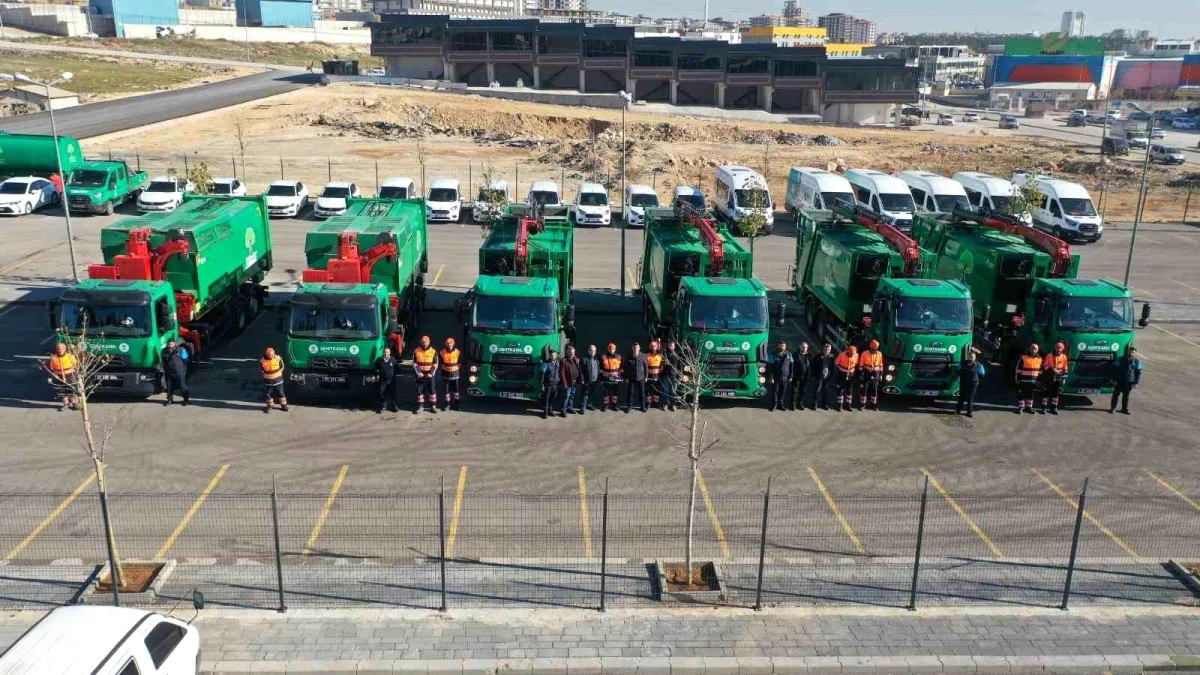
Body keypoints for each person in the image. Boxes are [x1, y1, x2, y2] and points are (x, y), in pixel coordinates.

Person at [1109, 346, 1142, 415]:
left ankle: (1124, 409)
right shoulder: (1120, 360)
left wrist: (1136, 382)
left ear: (1135, 353)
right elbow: (1114, 370)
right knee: (1116, 395)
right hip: (1119, 381)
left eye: (1133, 352)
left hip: (1129, 381)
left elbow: (1138, 372)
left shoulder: (1137, 362)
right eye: (1130, 351)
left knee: (1126, 396)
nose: (1131, 353)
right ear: (1127, 351)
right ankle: (1113, 408)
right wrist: (1113, 379)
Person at [1039, 340, 1069, 415]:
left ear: (1062, 349)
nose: (1058, 349)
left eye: (1060, 348)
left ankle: (1053, 408)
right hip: (1049, 376)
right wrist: (1053, 369)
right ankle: (1043, 408)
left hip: (1058, 377)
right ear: (1055, 347)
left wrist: (1064, 376)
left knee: (1056, 394)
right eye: (1057, 348)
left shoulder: (1064, 357)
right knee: (1046, 392)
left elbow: (1065, 367)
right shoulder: (1049, 356)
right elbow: (1045, 366)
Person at [48, 342, 79, 411]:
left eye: (62, 348)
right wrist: (51, 377)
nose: (60, 350)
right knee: (62, 392)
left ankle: (75, 404)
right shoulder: (53, 358)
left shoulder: (70, 356)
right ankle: (66, 404)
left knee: (72, 391)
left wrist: (77, 375)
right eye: (59, 348)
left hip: (70, 376)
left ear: (65, 349)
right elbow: (52, 369)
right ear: (56, 349)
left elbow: (76, 366)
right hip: (59, 377)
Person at [412, 335, 439, 414]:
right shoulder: (416, 351)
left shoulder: (433, 351)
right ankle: (420, 406)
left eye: (426, 342)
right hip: (420, 375)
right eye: (423, 342)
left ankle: (433, 406)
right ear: (421, 342)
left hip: (430, 375)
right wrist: (418, 372)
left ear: (429, 342)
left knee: (432, 391)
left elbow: (436, 363)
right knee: (420, 391)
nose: (424, 344)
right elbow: (414, 363)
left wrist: (431, 373)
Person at [1015, 343, 1043, 414]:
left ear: (1037, 350)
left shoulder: (1039, 359)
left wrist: (1039, 380)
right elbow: (1018, 370)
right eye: (1032, 349)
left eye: (1035, 349)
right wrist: (1018, 380)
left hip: (1033, 382)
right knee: (1022, 394)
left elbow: (1040, 371)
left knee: (1031, 395)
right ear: (1030, 349)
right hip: (1023, 380)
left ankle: (1029, 408)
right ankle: (1021, 408)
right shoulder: (1023, 358)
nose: (1034, 351)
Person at [161, 338, 189, 407]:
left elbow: (186, 359)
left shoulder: (181, 350)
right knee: (169, 386)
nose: (170, 345)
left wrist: (182, 367)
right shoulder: (164, 351)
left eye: (171, 344)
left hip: (179, 371)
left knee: (182, 386)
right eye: (169, 344)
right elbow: (163, 360)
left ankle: (186, 400)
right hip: (169, 372)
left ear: (174, 343)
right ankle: (170, 400)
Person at [858, 339, 884, 410]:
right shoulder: (864, 353)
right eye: (874, 347)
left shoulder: (879, 354)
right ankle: (863, 405)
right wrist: (860, 374)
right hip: (867, 372)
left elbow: (881, 364)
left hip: (876, 372)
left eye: (876, 347)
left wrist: (881, 374)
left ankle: (873, 405)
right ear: (871, 347)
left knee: (874, 389)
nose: (875, 349)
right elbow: (861, 364)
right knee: (864, 389)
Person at [956, 348, 983, 417]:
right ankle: (964, 411)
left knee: (965, 397)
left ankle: (963, 411)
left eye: (971, 356)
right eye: (971, 356)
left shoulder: (963, 363)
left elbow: (957, 370)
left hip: (968, 383)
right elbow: (982, 373)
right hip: (969, 383)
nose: (971, 358)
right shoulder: (977, 364)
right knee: (966, 398)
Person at [260, 347, 288, 413]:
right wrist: (267, 375)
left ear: (274, 353)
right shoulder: (262, 360)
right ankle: (270, 406)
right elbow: (261, 369)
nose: (271, 356)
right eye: (269, 355)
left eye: (272, 354)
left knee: (281, 393)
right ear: (266, 354)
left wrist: (278, 373)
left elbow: (282, 366)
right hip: (268, 381)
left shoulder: (278, 358)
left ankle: (284, 405)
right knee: (269, 394)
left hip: (278, 380)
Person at [767, 341, 793, 411]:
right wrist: (771, 377)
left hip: (785, 377)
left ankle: (781, 404)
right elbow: (770, 367)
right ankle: (774, 404)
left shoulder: (789, 354)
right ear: (778, 346)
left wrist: (791, 376)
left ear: (785, 347)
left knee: (783, 391)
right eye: (780, 346)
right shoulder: (772, 354)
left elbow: (791, 366)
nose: (782, 347)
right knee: (775, 391)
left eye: (783, 346)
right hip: (776, 377)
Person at [624, 341, 648, 413]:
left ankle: (642, 406)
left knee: (642, 393)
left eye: (637, 347)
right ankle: (629, 406)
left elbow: (646, 367)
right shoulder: (628, 356)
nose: (636, 349)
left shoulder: (643, 355)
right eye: (634, 347)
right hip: (631, 378)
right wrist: (626, 377)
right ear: (632, 348)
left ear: (639, 348)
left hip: (641, 377)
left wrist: (646, 376)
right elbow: (625, 368)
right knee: (630, 393)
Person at [809, 343, 835, 410]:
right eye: (826, 349)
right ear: (823, 349)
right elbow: (813, 366)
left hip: (827, 377)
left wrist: (831, 375)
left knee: (825, 390)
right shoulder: (818, 356)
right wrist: (813, 375)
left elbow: (832, 367)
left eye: (828, 349)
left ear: (830, 350)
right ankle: (815, 404)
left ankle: (824, 404)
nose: (827, 350)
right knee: (817, 390)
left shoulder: (832, 357)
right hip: (819, 376)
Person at [374, 346, 400, 413]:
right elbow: (376, 369)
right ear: (383, 353)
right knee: (382, 393)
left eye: (387, 352)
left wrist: (394, 376)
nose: (386, 353)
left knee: (393, 393)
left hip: (391, 381)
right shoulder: (379, 361)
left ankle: (394, 406)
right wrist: (376, 375)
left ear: (390, 353)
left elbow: (397, 369)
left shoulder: (393, 360)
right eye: (385, 352)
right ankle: (384, 406)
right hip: (383, 381)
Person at [439, 338, 462, 411]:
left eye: (450, 343)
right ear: (446, 344)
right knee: (447, 391)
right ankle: (447, 404)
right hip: (446, 374)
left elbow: (460, 362)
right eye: (448, 344)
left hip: (455, 374)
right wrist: (445, 368)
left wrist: (457, 369)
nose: (449, 345)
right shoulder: (442, 352)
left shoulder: (458, 352)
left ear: (453, 344)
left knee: (456, 391)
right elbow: (440, 363)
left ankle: (457, 405)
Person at [834, 344, 859, 411]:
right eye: (851, 353)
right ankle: (839, 406)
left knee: (849, 390)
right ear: (848, 351)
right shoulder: (841, 355)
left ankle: (848, 405)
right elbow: (836, 364)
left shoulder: (856, 355)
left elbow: (855, 364)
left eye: (853, 354)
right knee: (840, 389)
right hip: (842, 374)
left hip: (851, 375)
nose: (852, 355)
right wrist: (836, 375)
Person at [577, 344, 600, 414]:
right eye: (591, 350)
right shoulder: (584, 359)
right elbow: (580, 371)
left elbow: (598, 369)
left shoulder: (596, 359)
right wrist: (583, 379)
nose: (593, 352)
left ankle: (589, 404)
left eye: (594, 351)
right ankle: (582, 407)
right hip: (586, 380)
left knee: (591, 393)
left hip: (595, 380)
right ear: (588, 351)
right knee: (585, 394)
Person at [599, 343, 622, 411]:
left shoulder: (619, 357)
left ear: (615, 349)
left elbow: (621, 368)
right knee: (606, 392)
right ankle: (606, 405)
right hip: (606, 378)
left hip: (615, 378)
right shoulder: (603, 357)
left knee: (615, 392)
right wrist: (601, 378)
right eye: (610, 349)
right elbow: (600, 369)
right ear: (608, 349)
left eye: (613, 349)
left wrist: (621, 377)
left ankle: (614, 405)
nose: (611, 350)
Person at [560, 345, 581, 416]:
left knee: (572, 395)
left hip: (574, 382)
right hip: (567, 383)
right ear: (567, 352)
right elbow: (562, 373)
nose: (572, 354)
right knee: (566, 396)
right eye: (570, 352)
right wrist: (564, 383)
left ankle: (569, 407)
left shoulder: (576, 359)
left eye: (573, 352)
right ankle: (563, 410)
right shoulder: (564, 361)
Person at [540, 349, 562, 419]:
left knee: (552, 399)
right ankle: (545, 412)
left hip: (555, 385)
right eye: (552, 355)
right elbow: (542, 375)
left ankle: (550, 410)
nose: (553, 356)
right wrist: (542, 384)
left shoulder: (557, 363)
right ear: (549, 355)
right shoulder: (545, 364)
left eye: (554, 355)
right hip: (548, 385)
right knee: (546, 399)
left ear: (556, 355)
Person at [791, 342, 811, 411]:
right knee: (794, 391)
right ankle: (793, 404)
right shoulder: (795, 355)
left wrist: (809, 376)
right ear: (799, 347)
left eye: (805, 347)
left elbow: (810, 366)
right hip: (796, 377)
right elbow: (791, 366)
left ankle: (800, 403)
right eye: (803, 347)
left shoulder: (808, 355)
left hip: (805, 377)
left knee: (802, 391)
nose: (804, 348)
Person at [660, 340, 679, 411]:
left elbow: (680, 366)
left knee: (673, 391)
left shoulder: (677, 355)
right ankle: (665, 404)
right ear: (668, 346)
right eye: (669, 345)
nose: (671, 346)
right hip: (665, 375)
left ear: (674, 346)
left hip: (674, 375)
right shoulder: (664, 353)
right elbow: (661, 362)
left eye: (672, 345)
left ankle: (673, 404)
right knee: (665, 390)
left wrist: (680, 376)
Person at [645, 340, 665, 409]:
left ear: (657, 347)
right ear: (650, 347)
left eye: (655, 346)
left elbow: (663, 364)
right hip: (649, 376)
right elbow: (644, 365)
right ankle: (648, 403)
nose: (653, 348)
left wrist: (661, 369)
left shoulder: (660, 355)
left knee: (656, 390)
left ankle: (656, 403)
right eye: (652, 346)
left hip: (657, 376)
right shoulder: (646, 355)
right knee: (648, 390)